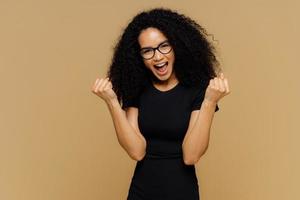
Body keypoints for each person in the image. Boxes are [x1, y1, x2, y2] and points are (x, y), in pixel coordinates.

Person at [91, 7, 230, 200]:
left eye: (164, 46)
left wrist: (209, 101)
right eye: (147, 51)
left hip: (182, 192)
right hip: (141, 192)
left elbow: (191, 155)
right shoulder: (137, 88)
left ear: (177, 45)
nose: (157, 57)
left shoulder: (197, 90)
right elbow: (137, 151)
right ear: (138, 56)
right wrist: (112, 102)